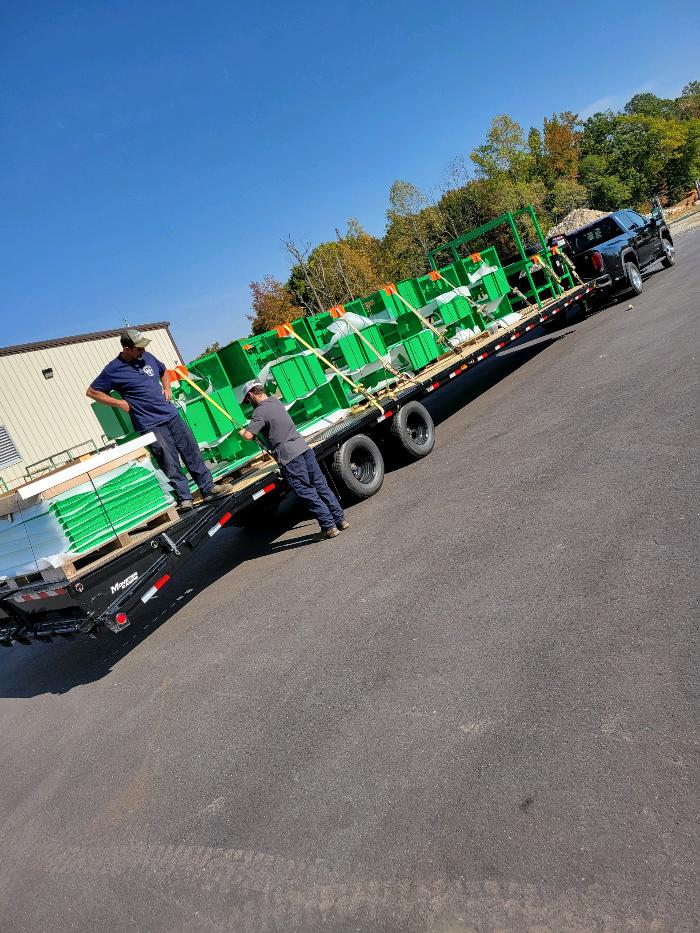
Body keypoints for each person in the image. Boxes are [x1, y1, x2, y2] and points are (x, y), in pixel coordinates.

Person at [87, 329, 233, 510]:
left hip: (170, 414)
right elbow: (92, 392)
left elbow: (163, 371)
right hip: (149, 423)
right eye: (138, 349)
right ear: (127, 348)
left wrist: (168, 389)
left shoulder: (147, 357)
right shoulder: (113, 370)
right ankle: (184, 498)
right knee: (168, 460)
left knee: (191, 451)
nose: (142, 351)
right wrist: (119, 403)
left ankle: (208, 489)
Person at [239, 380, 348, 540]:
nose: (249, 404)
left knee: (306, 491)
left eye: (248, 401)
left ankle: (328, 527)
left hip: (289, 457)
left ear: (250, 394)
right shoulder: (276, 402)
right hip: (303, 449)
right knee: (320, 485)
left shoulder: (259, 412)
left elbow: (249, 436)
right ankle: (341, 520)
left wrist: (242, 432)